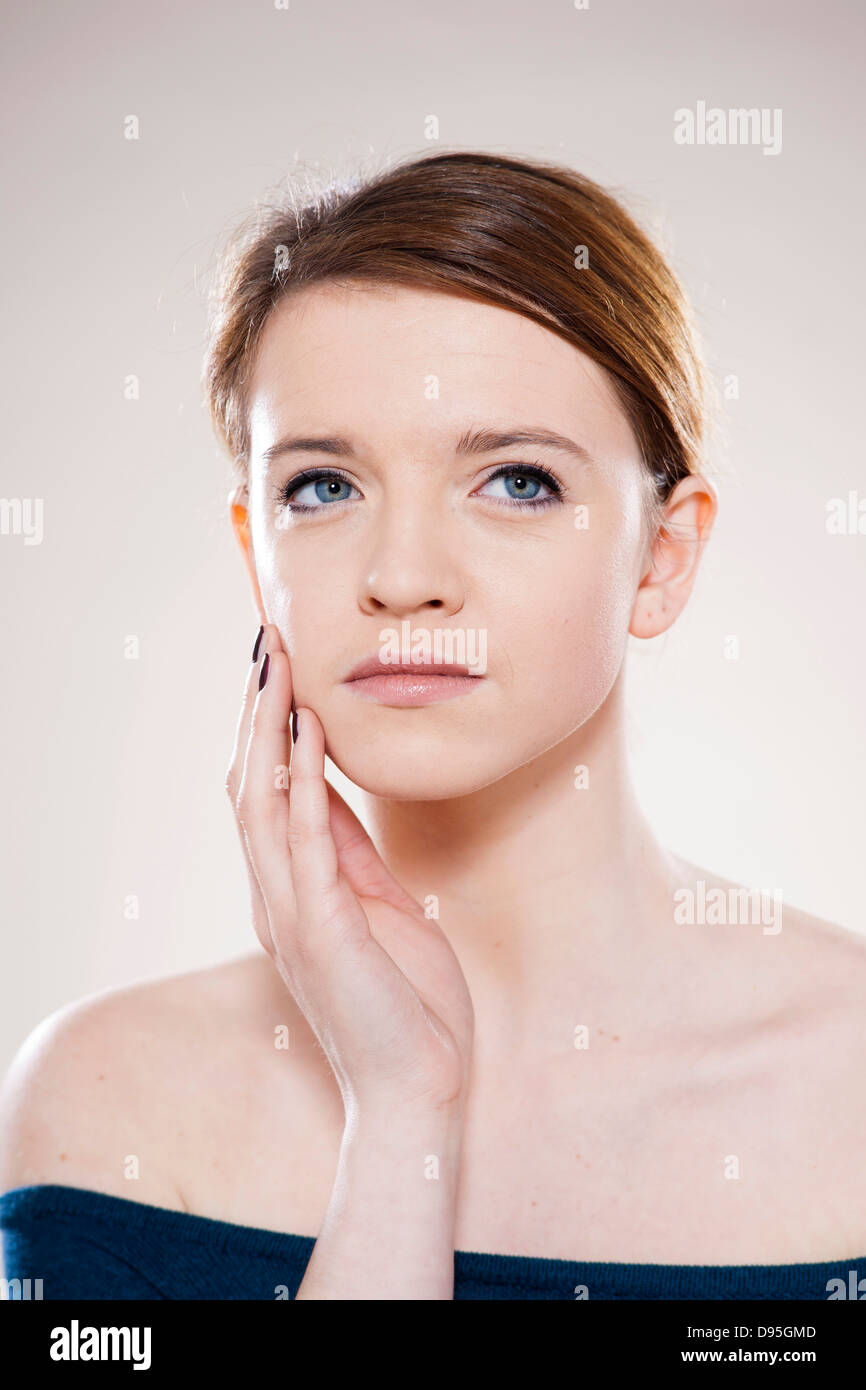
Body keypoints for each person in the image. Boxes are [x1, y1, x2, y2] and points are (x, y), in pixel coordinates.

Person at [1, 150, 864, 1301]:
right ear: (258, 553)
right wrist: (400, 1114)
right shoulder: (106, 1099)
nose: (401, 577)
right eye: (322, 487)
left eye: (514, 480)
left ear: (662, 556)